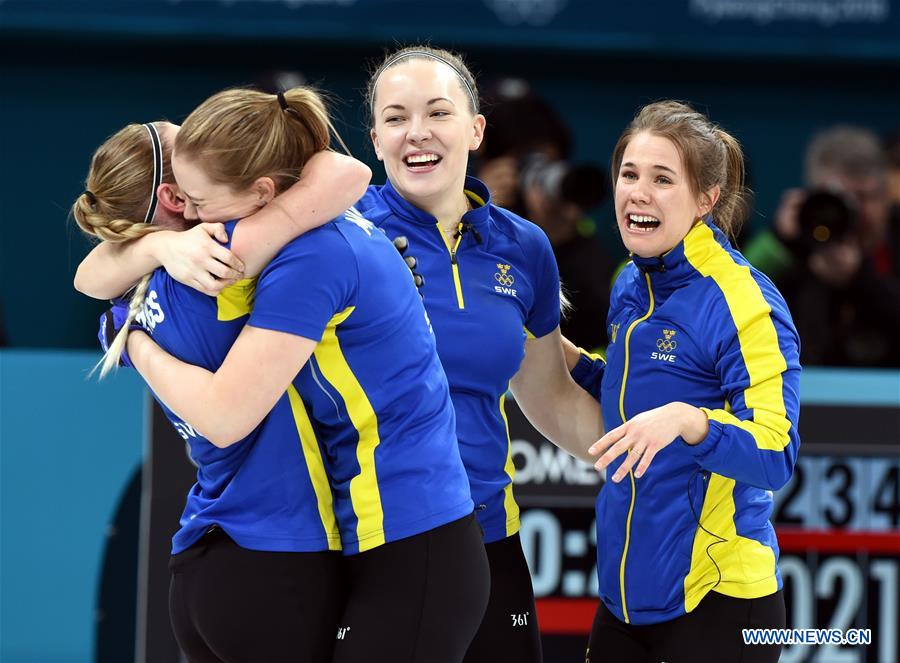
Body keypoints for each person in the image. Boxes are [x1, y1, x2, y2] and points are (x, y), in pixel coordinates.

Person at [113, 47, 606, 663]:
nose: (417, 133)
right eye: (396, 117)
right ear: (372, 138)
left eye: (438, 112)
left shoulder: (523, 246)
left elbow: (548, 394)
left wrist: (641, 454)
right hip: (360, 535)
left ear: (475, 128)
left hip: (486, 533)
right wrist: (157, 252)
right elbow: (125, 253)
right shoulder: (329, 226)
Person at [73, 112, 371, 662]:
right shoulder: (232, 254)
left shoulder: (125, 303)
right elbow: (347, 172)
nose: (190, 129)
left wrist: (154, 253)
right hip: (280, 556)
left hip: (202, 564)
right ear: (174, 196)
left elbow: (87, 277)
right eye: (181, 139)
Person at [564, 100, 800, 663]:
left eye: (662, 179)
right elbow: (631, 399)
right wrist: (565, 358)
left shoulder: (745, 302)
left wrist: (689, 421)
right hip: (625, 601)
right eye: (628, 174)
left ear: (706, 200)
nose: (638, 192)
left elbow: (775, 450)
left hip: (719, 602)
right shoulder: (630, 283)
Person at [744, 125, 900, 367]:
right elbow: (733, 299)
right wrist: (782, 242)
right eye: (840, 198)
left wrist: (860, 279)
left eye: (864, 197)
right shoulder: (793, 245)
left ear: (886, 198)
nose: (853, 211)